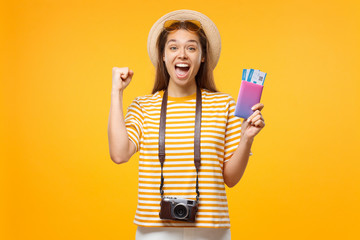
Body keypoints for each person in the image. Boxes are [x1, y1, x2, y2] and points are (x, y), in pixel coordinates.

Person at [108, 9, 265, 240]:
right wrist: (116, 92)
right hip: (155, 230)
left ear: (202, 56)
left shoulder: (224, 105)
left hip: (211, 230)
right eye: (173, 47)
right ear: (163, 55)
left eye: (191, 47)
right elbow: (119, 154)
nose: (182, 54)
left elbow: (230, 178)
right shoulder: (144, 105)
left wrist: (246, 138)